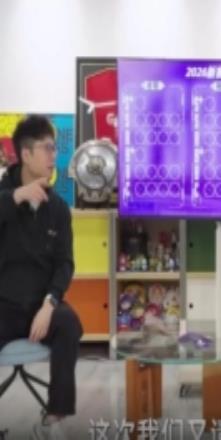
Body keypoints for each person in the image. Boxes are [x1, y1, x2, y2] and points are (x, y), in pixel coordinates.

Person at [0, 115, 82, 439]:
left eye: (54, 149)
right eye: (47, 149)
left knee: (69, 323)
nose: (53, 156)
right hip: (3, 305)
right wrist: (16, 197)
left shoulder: (57, 208)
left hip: (40, 305)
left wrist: (50, 304)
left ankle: (55, 414)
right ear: (26, 154)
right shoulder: (5, 195)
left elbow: (65, 264)